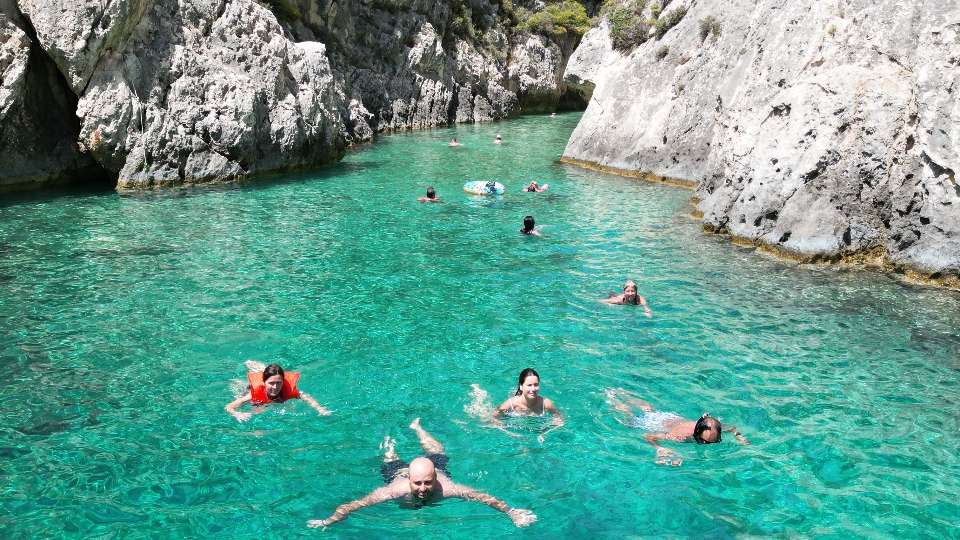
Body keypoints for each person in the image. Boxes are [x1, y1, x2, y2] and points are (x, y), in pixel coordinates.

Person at [307, 418, 537, 529]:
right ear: (410, 479)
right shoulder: (395, 489)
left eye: (427, 483)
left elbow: (485, 498)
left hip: (433, 465)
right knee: (391, 459)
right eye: (418, 483)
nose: (423, 489)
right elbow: (355, 505)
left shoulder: (447, 488)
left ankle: (417, 428)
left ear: (435, 478)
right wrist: (330, 520)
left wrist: (512, 513)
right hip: (397, 472)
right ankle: (389, 442)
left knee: (437, 452)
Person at [605, 388, 748, 466]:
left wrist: (739, 437)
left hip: (669, 417)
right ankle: (613, 399)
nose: (708, 445)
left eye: (715, 441)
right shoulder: (680, 436)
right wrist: (660, 448)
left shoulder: (714, 427)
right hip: (654, 423)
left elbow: (733, 428)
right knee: (630, 421)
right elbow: (648, 436)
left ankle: (621, 392)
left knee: (649, 410)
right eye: (703, 442)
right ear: (696, 435)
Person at [224, 362, 331, 421]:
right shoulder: (251, 395)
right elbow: (229, 406)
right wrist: (236, 414)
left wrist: (320, 409)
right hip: (247, 389)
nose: (275, 387)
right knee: (258, 408)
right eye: (271, 383)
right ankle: (256, 367)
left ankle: (263, 369)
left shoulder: (288, 391)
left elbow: (305, 397)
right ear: (264, 382)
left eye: (279, 383)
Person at [492, 368, 563, 443]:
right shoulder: (510, 405)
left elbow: (560, 420)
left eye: (536, 385)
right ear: (521, 386)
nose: (533, 389)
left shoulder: (546, 404)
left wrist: (543, 433)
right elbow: (493, 419)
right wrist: (513, 434)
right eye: (529, 385)